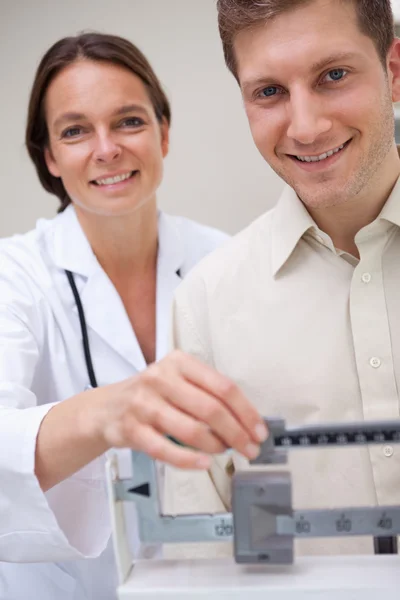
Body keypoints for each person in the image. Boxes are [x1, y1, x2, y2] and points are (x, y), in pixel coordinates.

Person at [0, 33, 268, 599]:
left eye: (128, 121)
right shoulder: (14, 276)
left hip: (211, 582)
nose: (106, 149)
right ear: (49, 157)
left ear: (163, 133)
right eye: (74, 131)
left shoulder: (226, 262)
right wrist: (111, 412)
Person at [167, 0, 400, 559]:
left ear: (394, 70)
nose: (306, 126)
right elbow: (196, 556)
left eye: (334, 76)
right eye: (269, 91)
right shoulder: (205, 303)